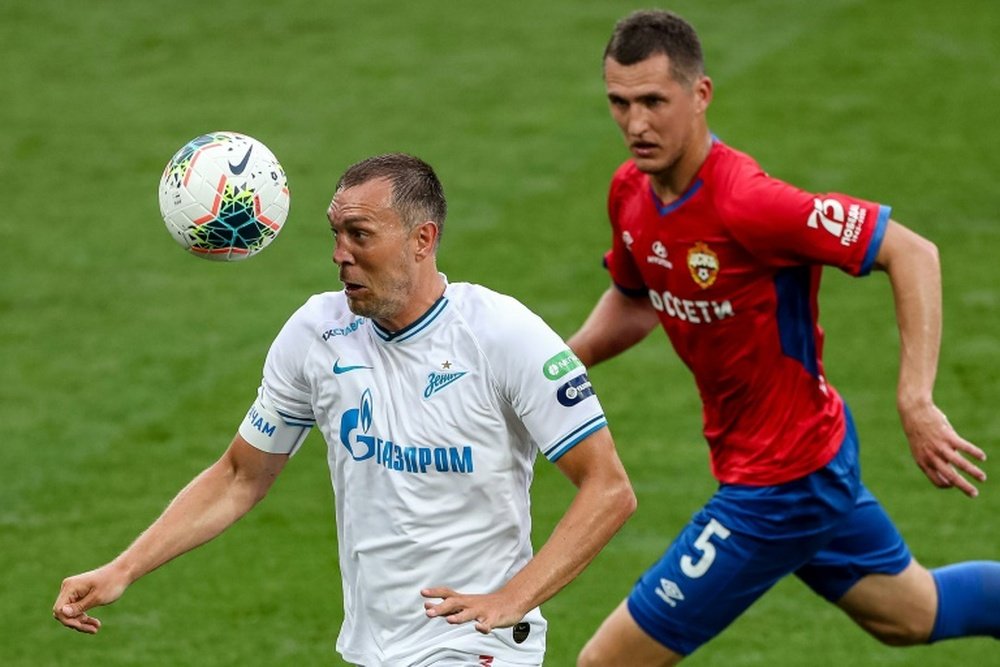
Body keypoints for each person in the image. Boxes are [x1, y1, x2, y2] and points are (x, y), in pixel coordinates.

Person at [53, 153, 636, 666]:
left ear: (422, 239)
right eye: (335, 234)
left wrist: (513, 598)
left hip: (476, 646)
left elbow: (608, 489)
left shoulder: (502, 336)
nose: (340, 255)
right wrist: (122, 568)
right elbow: (238, 476)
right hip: (374, 645)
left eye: (359, 235)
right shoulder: (317, 333)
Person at [570, 10, 1000, 666]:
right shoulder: (630, 192)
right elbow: (639, 298)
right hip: (810, 455)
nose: (635, 124)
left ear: (700, 94)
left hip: (780, 482)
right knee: (913, 612)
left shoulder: (748, 201)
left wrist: (915, 398)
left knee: (606, 662)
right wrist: (561, 363)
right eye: (619, 103)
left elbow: (912, 251)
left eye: (654, 101)